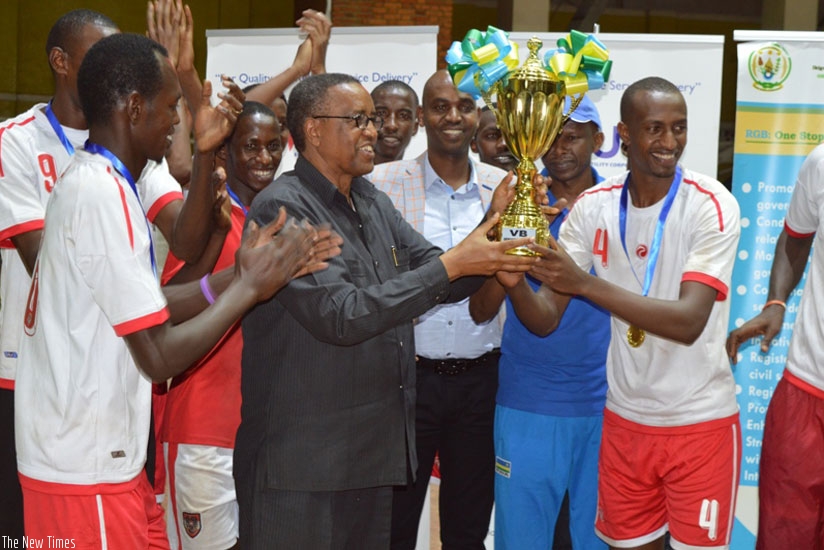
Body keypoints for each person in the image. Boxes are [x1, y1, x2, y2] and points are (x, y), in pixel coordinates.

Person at [13, 32, 326, 548]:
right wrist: (248, 287)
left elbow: (144, 310)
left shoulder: (108, 183)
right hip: (82, 470)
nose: (179, 120)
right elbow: (158, 356)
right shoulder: (98, 193)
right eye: (171, 106)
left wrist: (235, 274)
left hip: (104, 463)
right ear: (134, 109)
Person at [232, 72, 537, 550]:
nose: (373, 131)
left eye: (371, 120)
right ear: (313, 130)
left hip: (370, 460)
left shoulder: (369, 200)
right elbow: (342, 315)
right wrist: (456, 263)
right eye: (358, 120)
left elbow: (444, 277)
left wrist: (496, 225)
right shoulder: (284, 208)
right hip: (301, 469)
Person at [0, 9, 227, 541]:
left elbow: (188, 242)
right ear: (62, 62)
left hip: (110, 400)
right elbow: (53, 270)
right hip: (49, 388)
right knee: (17, 530)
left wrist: (204, 145)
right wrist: (246, 286)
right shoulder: (25, 144)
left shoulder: (126, 161)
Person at [515, 77, 741, 550]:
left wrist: (584, 283)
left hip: (698, 422)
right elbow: (543, 319)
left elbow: (687, 321)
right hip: (625, 421)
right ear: (623, 134)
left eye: (678, 128)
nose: (669, 142)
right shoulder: (593, 208)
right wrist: (509, 266)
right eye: (654, 129)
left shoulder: (711, 204)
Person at [160, 101, 339, 550]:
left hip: (265, 433)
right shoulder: (207, 216)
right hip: (204, 432)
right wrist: (241, 276)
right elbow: (161, 307)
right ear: (226, 153)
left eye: (273, 146)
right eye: (251, 147)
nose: (264, 158)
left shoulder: (285, 219)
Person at [369, 69, 506, 550]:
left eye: (465, 106)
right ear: (422, 116)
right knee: (394, 525)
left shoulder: (505, 189)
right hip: (405, 380)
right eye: (441, 106)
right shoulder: (381, 184)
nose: (453, 116)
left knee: (468, 529)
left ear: (477, 115)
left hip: (481, 382)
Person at [469, 94, 608, 550]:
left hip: (607, 407)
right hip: (529, 401)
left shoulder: (623, 206)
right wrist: (509, 249)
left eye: (574, 137)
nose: (562, 147)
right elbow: (481, 309)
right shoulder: (520, 203)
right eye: (553, 137)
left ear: (599, 140)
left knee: (597, 542)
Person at [726, 143, 824, 549]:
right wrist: (775, 301)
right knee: (786, 537)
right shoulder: (821, 162)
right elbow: (795, 238)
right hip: (807, 389)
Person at [371, 80, 420, 165]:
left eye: (403, 116)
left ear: (415, 127)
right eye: (381, 113)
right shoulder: (345, 176)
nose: (391, 126)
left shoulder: (422, 177)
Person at [471, 105, 517, 172]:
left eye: (513, 136)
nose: (504, 144)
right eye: (492, 136)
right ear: (473, 144)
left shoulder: (536, 180)